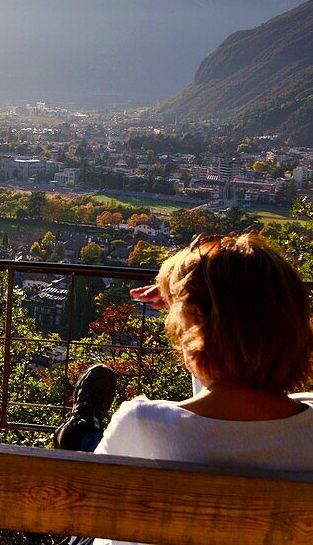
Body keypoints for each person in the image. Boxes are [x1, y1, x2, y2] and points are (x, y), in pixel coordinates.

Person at [52, 233, 313, 545]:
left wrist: (194, 315)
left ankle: (83, 433)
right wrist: (194, 310)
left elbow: (81, 506)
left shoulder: (144, 422)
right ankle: (83, 434)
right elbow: (237, 392)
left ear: (198, 324)